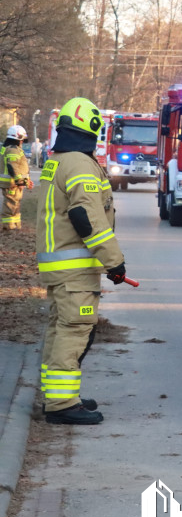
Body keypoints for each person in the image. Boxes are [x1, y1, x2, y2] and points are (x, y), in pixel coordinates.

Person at [36, 98, 127, 425]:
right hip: (74, 269)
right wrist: (114, 262)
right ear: (92, 128)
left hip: (58, 266)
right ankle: (62, 405)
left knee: (60, 329)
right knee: (75, 330)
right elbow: (86, 218)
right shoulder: (80, 164)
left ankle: (56, 395)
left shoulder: (56, 160)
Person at [1, 125, 34, 230]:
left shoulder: (8, 148)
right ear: (18, 138)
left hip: (14, 182)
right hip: (12, 183)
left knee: (15, 204)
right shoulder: (13, 150)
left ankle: (15, 226)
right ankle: (9, 227)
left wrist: (26, 180)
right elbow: (13, 166)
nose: (22, 142)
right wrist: (20, 181)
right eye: (22, 140)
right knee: (11, 205)